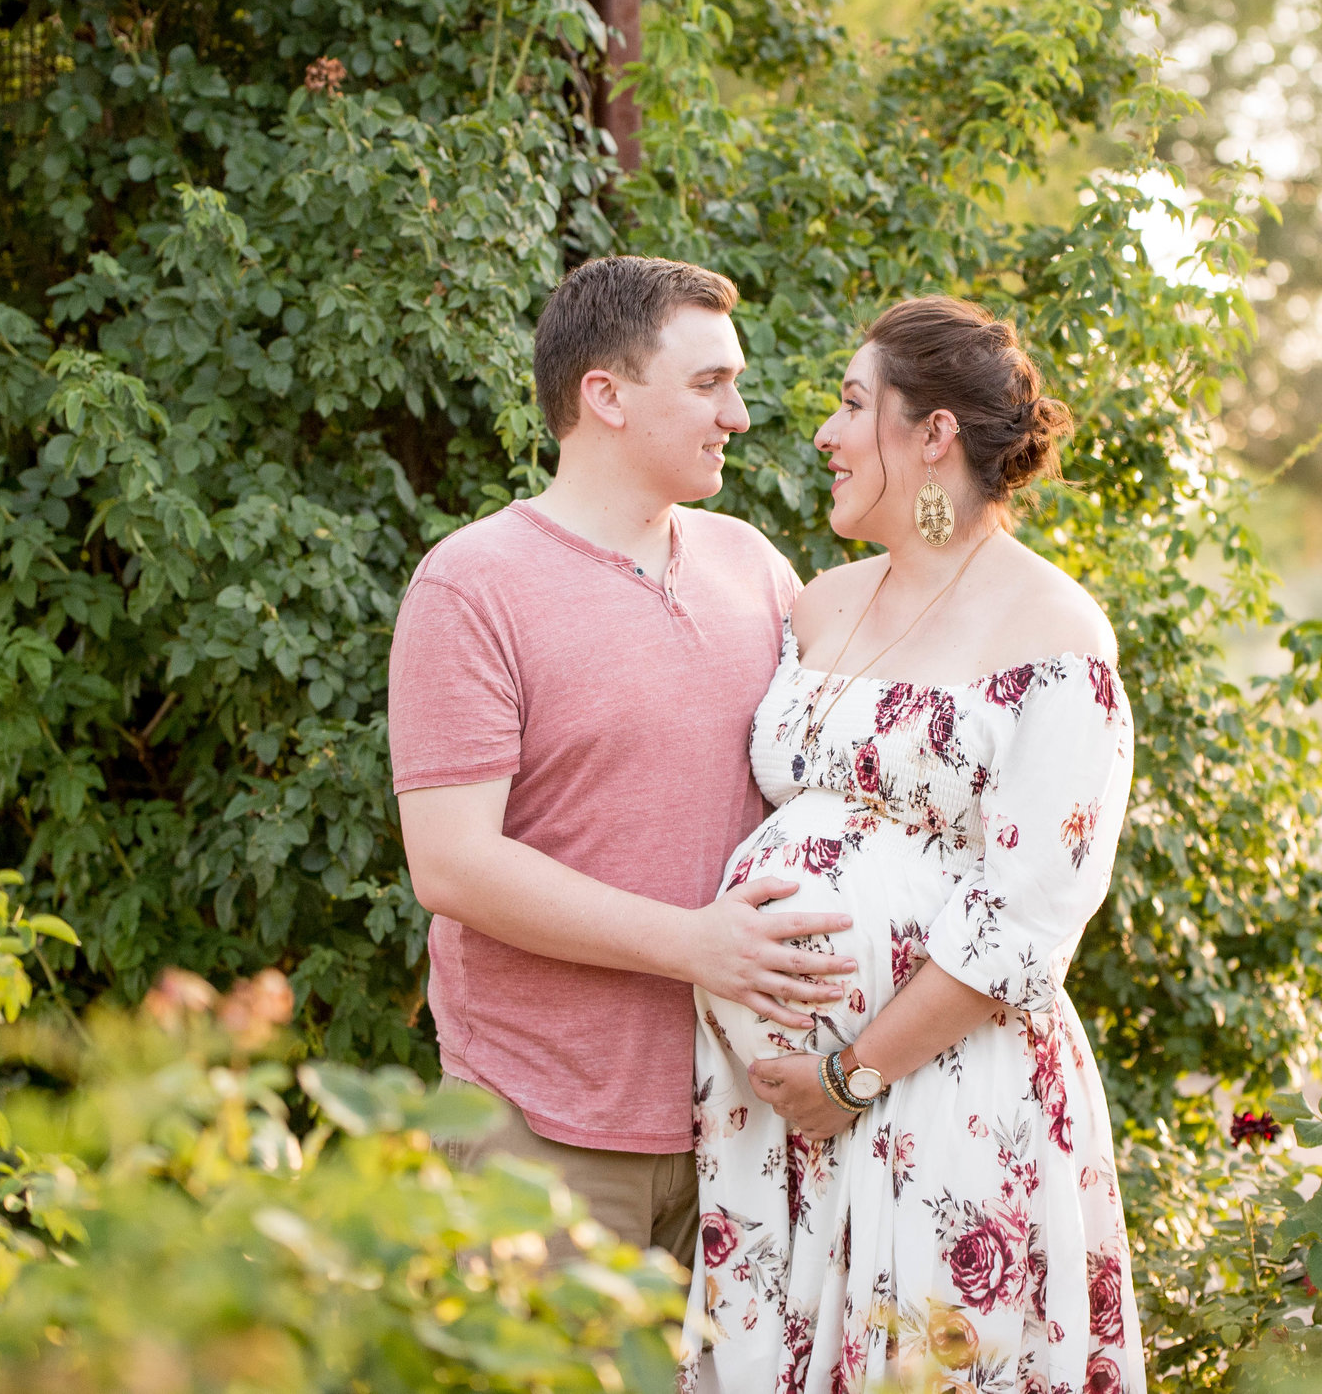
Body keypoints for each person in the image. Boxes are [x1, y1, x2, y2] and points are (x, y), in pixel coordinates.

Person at [688, 297, 1145, 1394]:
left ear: (932, 433)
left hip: (940, 1099)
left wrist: (850, 1073)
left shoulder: (1056, 633)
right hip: (770, 1122)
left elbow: (1028, 919)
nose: (824, 435)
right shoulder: (822, 605)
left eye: (853, 405)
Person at [389, 255, 860, 1267]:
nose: (737, 414)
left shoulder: (754, 567)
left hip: (746, 1125)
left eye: (733, 382)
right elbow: (452, 864)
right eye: (707, 384)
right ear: (603, 394)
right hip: (539, 1129)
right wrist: (694, 943)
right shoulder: (472, 585)